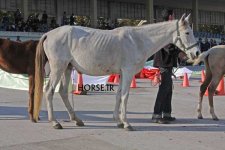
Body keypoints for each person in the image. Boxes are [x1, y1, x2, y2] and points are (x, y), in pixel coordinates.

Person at [152, 9, 187, 124]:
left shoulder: (169, 28)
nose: (175, 17)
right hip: (163, 62)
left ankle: (167, 113)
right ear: (170, 17)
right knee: (164, 88)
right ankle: (156, 114)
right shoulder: (164, 29)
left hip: (168, 62)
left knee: (168, 89)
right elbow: (167, 46)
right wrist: (179, 53)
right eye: (173, 15)